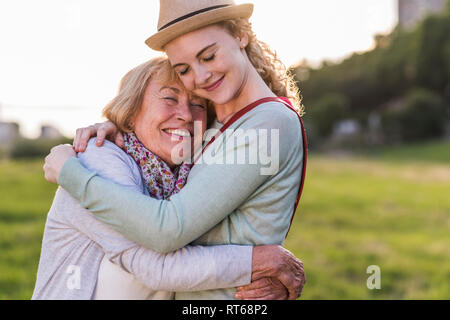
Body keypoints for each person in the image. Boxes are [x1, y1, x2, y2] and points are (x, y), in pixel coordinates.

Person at [43, 0, 307, 300]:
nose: (201, 76)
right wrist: (117, 127)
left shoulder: (266, 123)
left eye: (208, 56)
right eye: (184, 69)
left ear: (240, 35)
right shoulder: (218, 130)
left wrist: (70, 173)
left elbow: (168, 229)